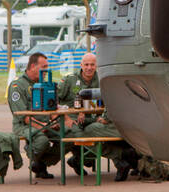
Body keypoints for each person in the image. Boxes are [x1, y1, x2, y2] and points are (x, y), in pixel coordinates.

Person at [60, 52, 141, 182]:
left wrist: (102, 116)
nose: (89, 68)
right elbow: (54, 102)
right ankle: (119, 158)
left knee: (90, 134)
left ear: (96, 66)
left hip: (95, 119)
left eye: (92, 65)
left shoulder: (101, 79)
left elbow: (110, 100)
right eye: (86, 64)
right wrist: (66, 118)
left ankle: (79, 160)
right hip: (73, 121)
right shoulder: (70, 80)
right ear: (81, 65)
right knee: (79, 135)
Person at [7, 52, 60, 180]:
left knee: (69, 136)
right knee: (42, 140)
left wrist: (55, 121)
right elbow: (22, 116)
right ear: (32, 67)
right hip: (24, 125)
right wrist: (42, 126)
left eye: (47, 67)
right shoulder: (17, 86)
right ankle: (33, 153)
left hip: (45, 124)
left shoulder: (47, 85)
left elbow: (53, 107)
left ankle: (41, 164)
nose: (46, 70)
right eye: (43, 67)